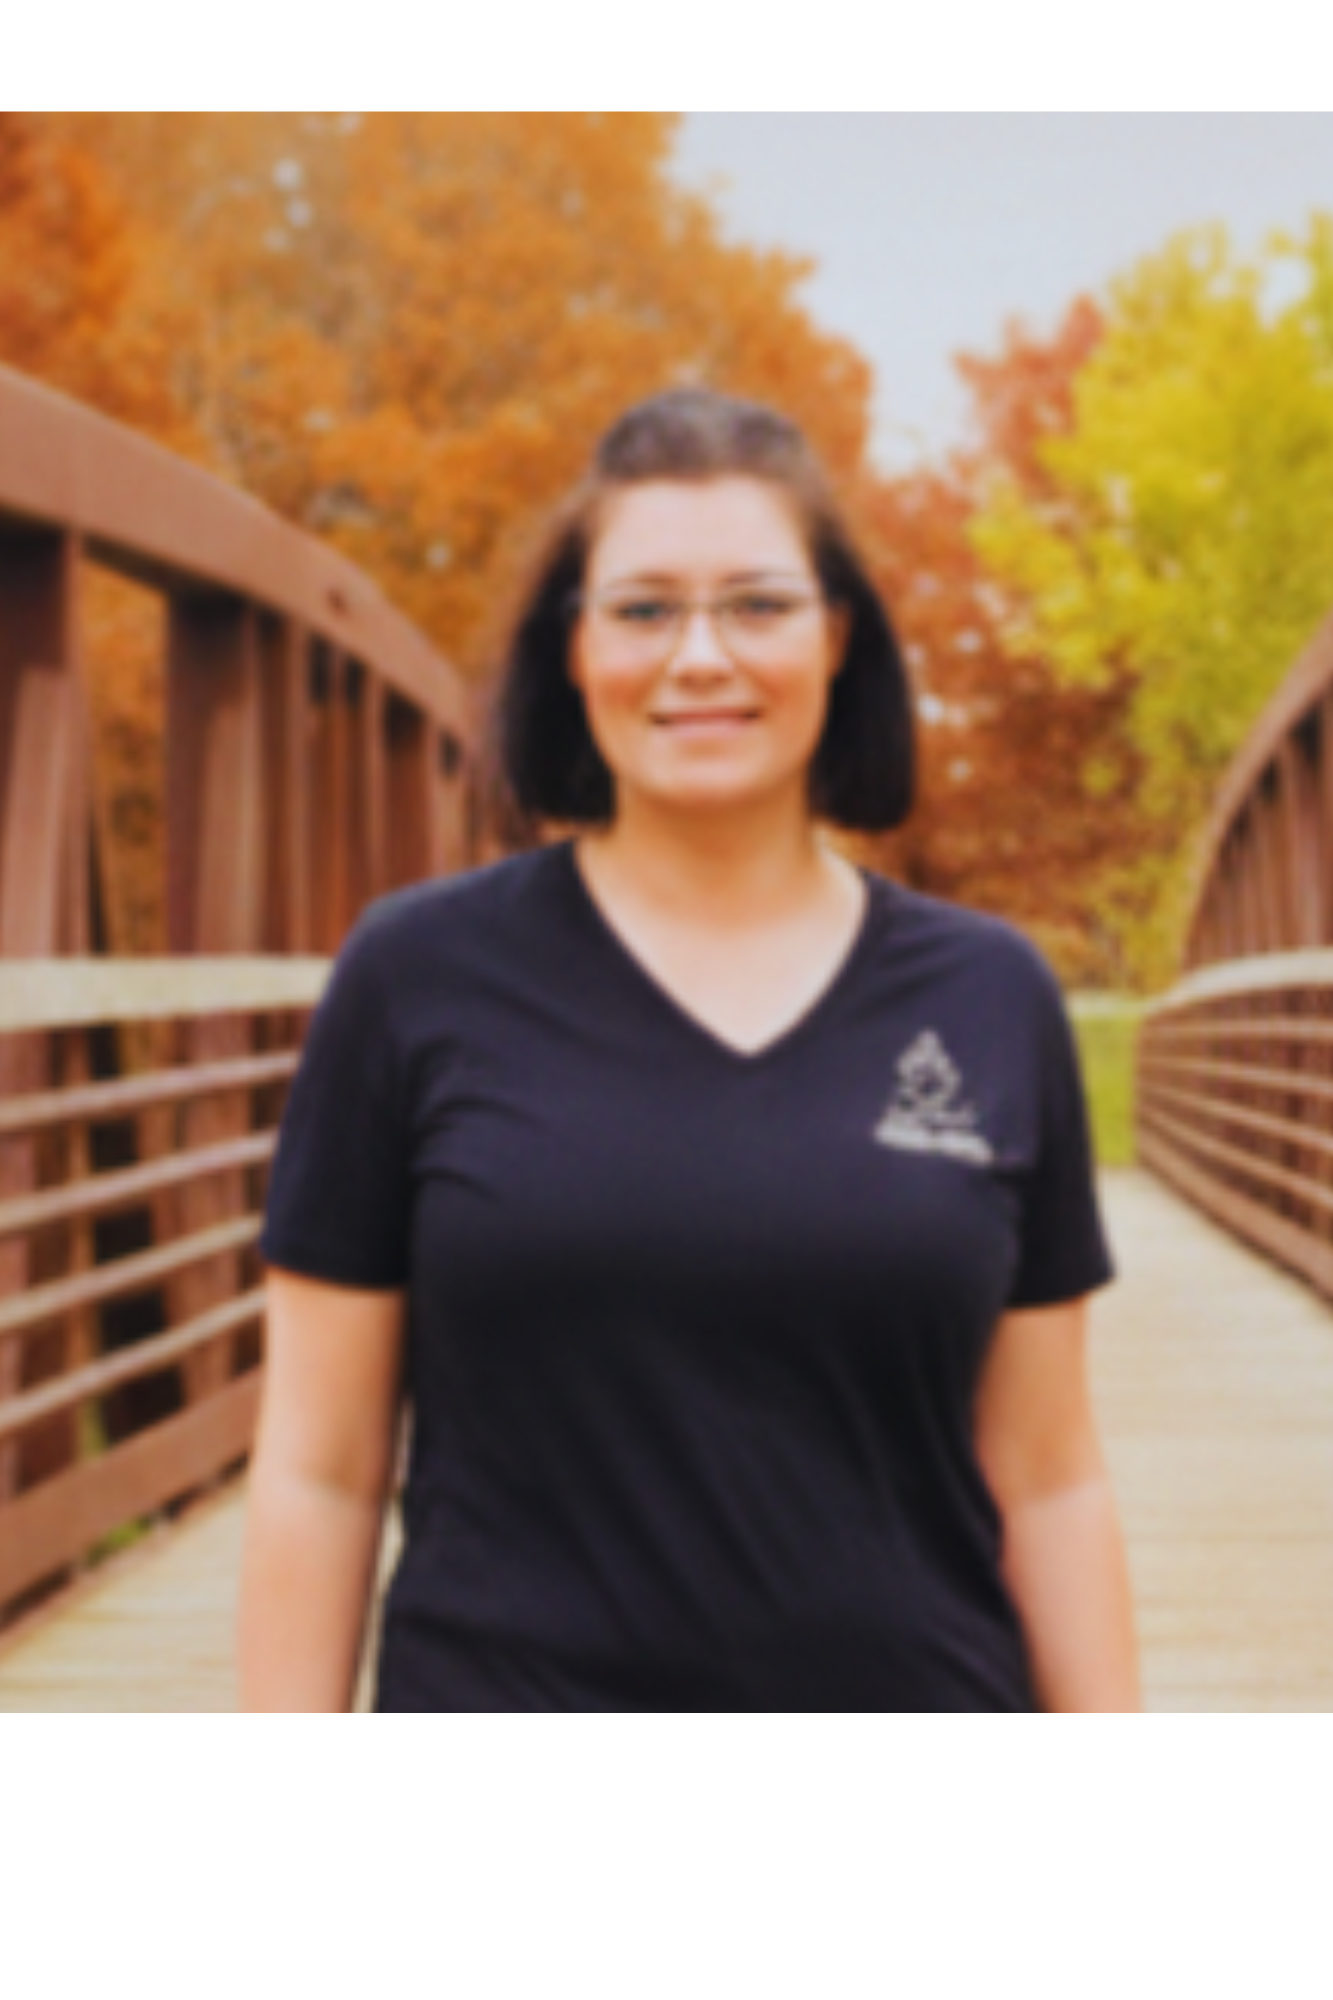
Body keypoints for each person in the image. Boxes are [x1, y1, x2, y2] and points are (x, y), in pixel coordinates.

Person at [238, 387, 1140, 1711]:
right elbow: (320, 1465)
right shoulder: (416, 977)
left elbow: (1051, 1476)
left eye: (759, 606)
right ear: (574, 648)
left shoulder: (990, 994)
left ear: (837, 638)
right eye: (645, 608)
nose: (700, 657)